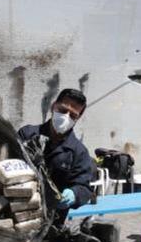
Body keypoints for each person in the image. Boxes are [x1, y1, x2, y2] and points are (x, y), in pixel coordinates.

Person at [17, 88, 96, 220]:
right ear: (54, 106)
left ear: (78, 118)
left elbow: (84, 188)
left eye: (72, 115)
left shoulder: (79, 152)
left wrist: (74, 194)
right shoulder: (27, 134)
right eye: (63, 110)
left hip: (52, 219)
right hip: (18, 210)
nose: (66, 117)